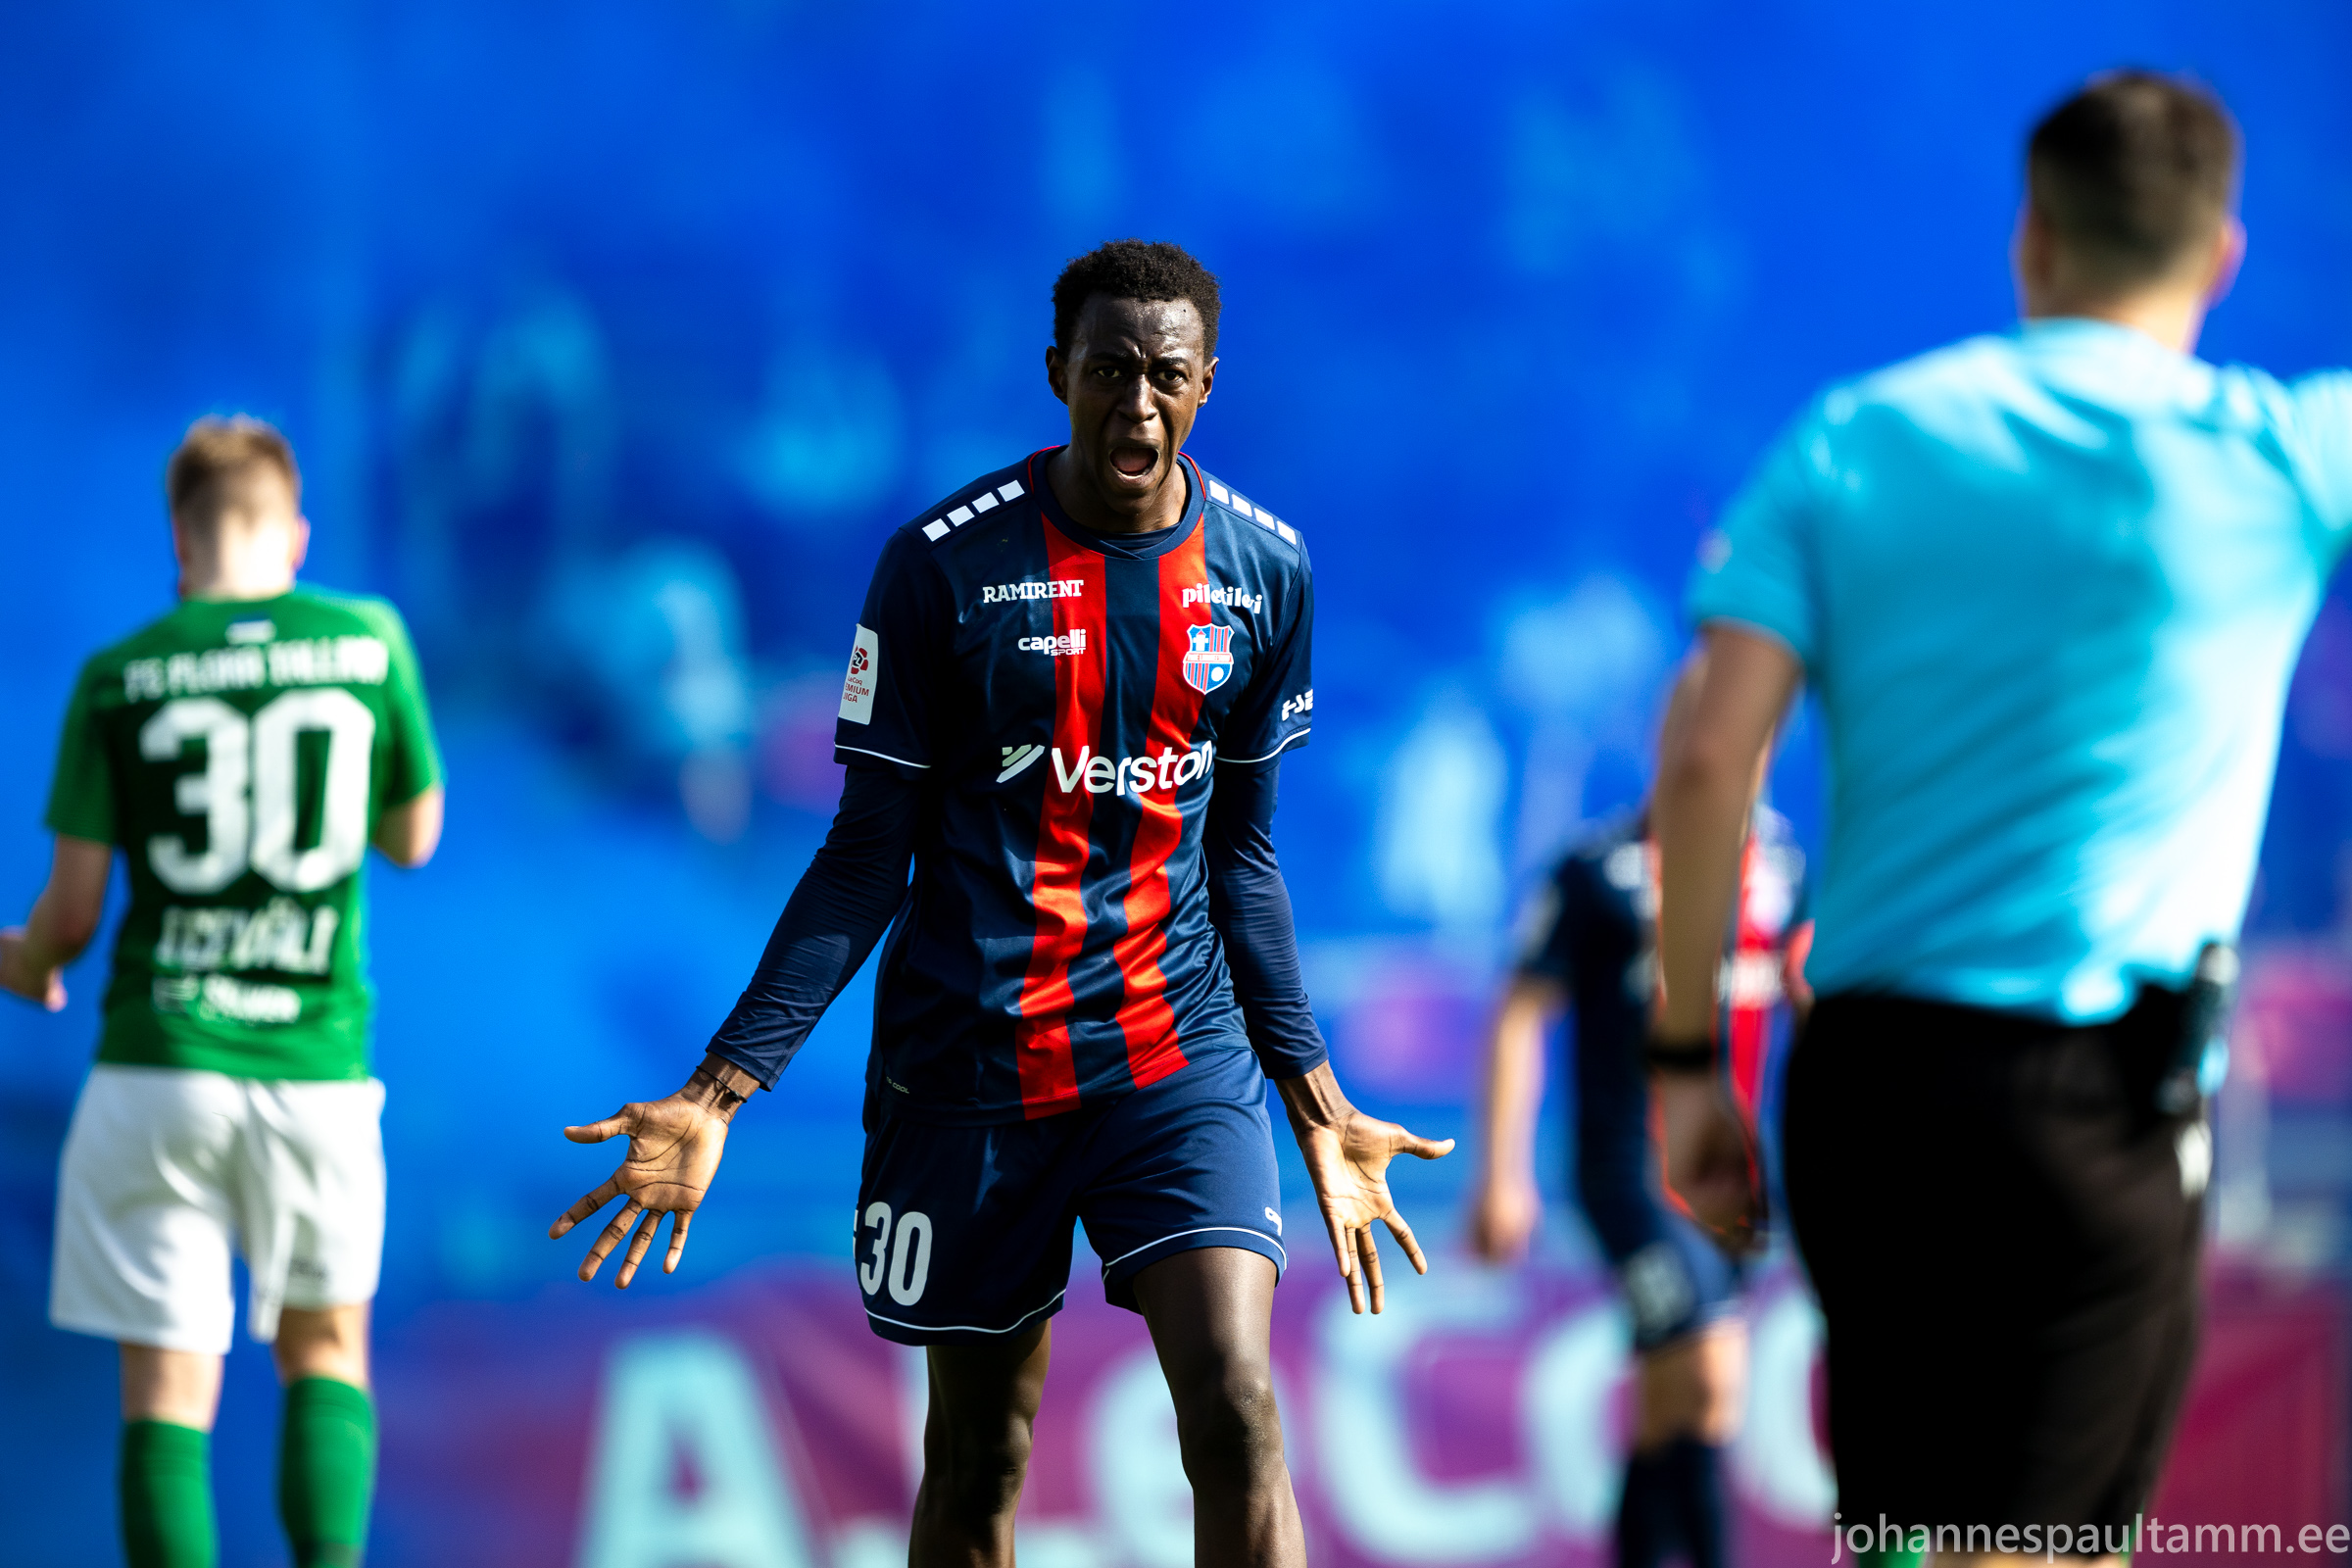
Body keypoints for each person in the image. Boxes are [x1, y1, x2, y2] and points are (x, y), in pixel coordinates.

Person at [552, 239, 1452, 1568]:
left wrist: (1315, 1103)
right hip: (972, 1063)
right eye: (1108, 371)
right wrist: (717, 1091)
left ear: (1208, 382)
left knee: (1239, 1413)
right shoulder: (942, 569)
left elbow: (1243, 860)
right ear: (1056, 374)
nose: (1136, 405)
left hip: (1174, 1056)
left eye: (1166, 376)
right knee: (981, 1461)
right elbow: (866, 858)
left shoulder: (1267, 573)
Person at [1648, 72, 2352, 1563]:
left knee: (1906, 1536)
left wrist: (1688, 1059)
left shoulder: (1851, 438)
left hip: (1870, 1091)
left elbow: (1709, 756)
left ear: (2032, 235)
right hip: (2098, 1103)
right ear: (2223, 255)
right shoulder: (2291, 456)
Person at [1, 416, 445, 1568]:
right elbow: (414, 838)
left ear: (180, 539)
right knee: (325, 1352)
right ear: (295, 535)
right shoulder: (368, 639)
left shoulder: (120, 674)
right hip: (315, 1068)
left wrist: (26, 962)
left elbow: (72, 918)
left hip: (158, 1068)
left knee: (166, 1391)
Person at [1467, 658, 1810, 1568]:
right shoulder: (1598, 870)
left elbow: (1816, 994)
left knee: (1676, 1405)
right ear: (1668, 739)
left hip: (1736, 1178)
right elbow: (1520, 1014)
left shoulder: (1781, 868)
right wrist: (1501, 1176)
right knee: (1708, 1374)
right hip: (1630, 1170)